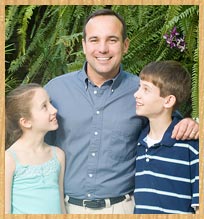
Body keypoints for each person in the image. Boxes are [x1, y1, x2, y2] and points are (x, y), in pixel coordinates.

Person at [45, 9, 199, 214]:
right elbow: (31, 143)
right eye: (94, 40)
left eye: (112, 40)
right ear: (83, 45)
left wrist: (194, 123)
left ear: (125, 45)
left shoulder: (142, 93)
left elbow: (171, 123)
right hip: (64, 207)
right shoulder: (55, 90)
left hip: (123, 208)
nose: (102, 48)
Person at [133, 60, 199, 214]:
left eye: (146, 90)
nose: (136, 94)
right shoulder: (140, 142)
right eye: (139, 87)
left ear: (168, 101)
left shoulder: (191, 146)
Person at [5, 83, 66, 214]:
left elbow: (61, 204)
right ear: (26, 122)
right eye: (44, 106)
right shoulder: (8, 159)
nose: (54, 110)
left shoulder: (58, 155)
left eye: (50, 103)